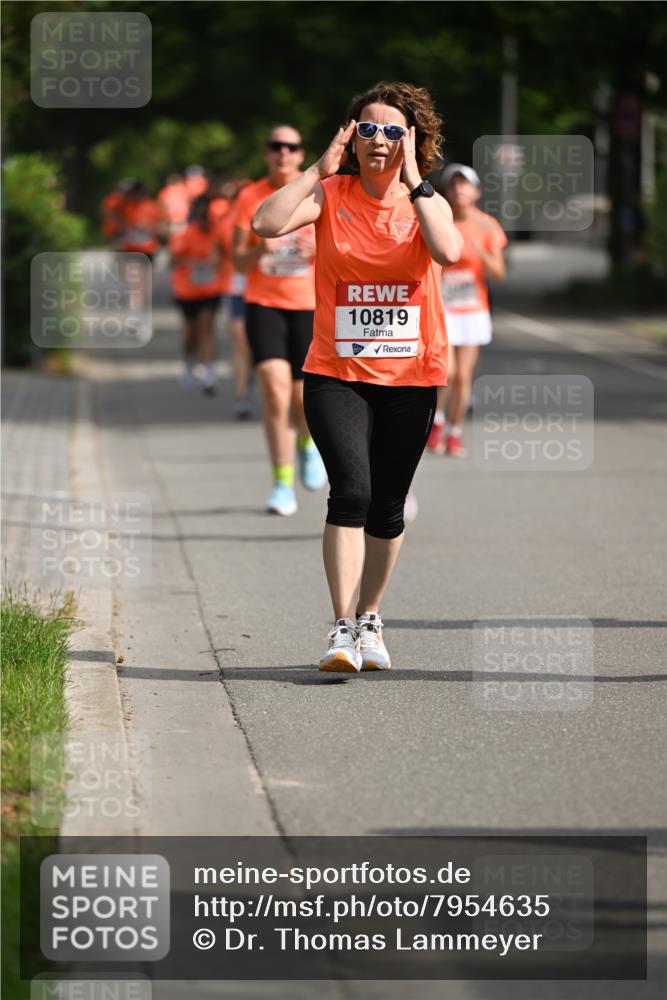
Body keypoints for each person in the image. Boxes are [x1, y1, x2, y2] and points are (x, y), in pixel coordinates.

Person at [253, 82, 462, 671]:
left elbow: (447, 251)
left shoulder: (428, 201)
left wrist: (417, 181)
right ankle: (341, 627)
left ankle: (370, 617)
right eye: (367, 128)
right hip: (335, 373)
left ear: (412, 140)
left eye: (394, 130)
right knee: (353, 492)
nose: (379, 140)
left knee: (388, 506)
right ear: (351, 136)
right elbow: (264, 224)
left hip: (411, 377)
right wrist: (316, 169)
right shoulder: (330, 194)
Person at [232, 125, 327, 516]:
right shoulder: (250, 196)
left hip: (309, 306)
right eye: (276, 146)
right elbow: (236, 261)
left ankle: (307, 443)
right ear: (266, 152)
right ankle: (281, 484)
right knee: (274, 390)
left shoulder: (319, 193)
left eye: (291, 146)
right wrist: (259, 250)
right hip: (264, 303)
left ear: (301, 153)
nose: (283, 152)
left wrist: (315, 248)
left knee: (302, 399)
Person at [425, 163, 507, 457]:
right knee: (446, 372)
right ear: (447, 191)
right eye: (454, 184)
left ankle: (455, 432)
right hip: (443, 309)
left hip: (473, 311)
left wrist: (480, 250)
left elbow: (499, 272)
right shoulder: (440, 220)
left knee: (463, 377)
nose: (460, 189)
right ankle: (437, 422)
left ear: (476, 191)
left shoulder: (487, 226)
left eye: (465, 184)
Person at [169, 193, 225, 395]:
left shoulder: (218, 233)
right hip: (187, 290)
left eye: (209, 217)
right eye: (203, 217)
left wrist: (218, 261)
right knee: (190, 333)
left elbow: (227, 256)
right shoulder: (186, 234)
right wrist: (194, 263)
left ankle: (209, 374)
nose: (206, 221)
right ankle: (188, 365)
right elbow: (173, 261)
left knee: (207, 329)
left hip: (211, 289)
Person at [217, 179, 253, 419]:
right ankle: (242, 396)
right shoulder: (225, 223)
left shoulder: (270, 213)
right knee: (241, 343)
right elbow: (218, 252)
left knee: (255, 347)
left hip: (271, 292)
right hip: (237, 290)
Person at [116, 180, 161, 260]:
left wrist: (147, 227)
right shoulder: (125, 207)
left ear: (140, 191)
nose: (129, 195)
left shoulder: (150, 206)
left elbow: (158, 226)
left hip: (147, 249)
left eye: (132, 192)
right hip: (129, 249)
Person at [157, 173, 190, 238]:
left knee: (172, 237)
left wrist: (161, 219)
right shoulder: (184, 189)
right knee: (181, 237)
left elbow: (161, 206)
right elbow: (189, 203)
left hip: (170, 218)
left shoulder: (165, 191)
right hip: (182, 218)